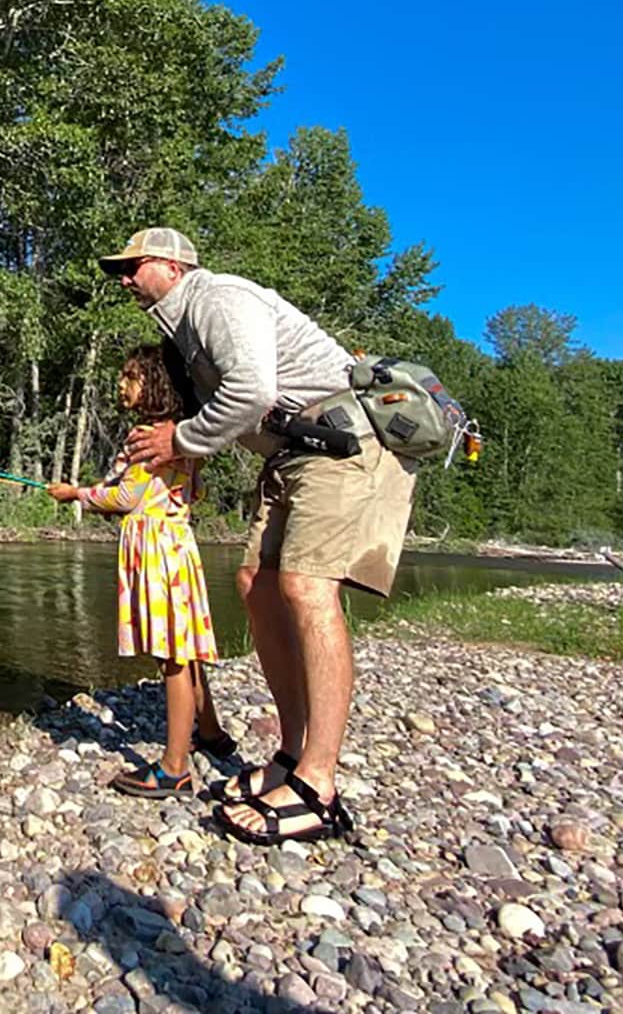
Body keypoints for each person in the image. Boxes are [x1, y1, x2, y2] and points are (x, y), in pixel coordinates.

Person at [98, 227, 417, 845]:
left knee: (306, 588)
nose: (124, 277)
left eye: (132, 266)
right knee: (256, 584)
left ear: (169, 264)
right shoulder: (182, 328)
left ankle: (316, 785)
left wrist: (178, 441)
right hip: (294, 456)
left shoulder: (215, 298)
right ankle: (291, 756)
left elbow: (252, 390)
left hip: (345, 446)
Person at [48, 342, 235, 798]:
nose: (121, 384)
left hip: (155, 553)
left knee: (171, 655)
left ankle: (175, 766)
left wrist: (77, 495)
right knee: (183, 647)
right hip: (178, 546)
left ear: (153, 386)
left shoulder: (147, 436)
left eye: (130, 377)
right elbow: (165, 491)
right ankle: (209, 732)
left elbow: (125, 498)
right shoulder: (185, 436)